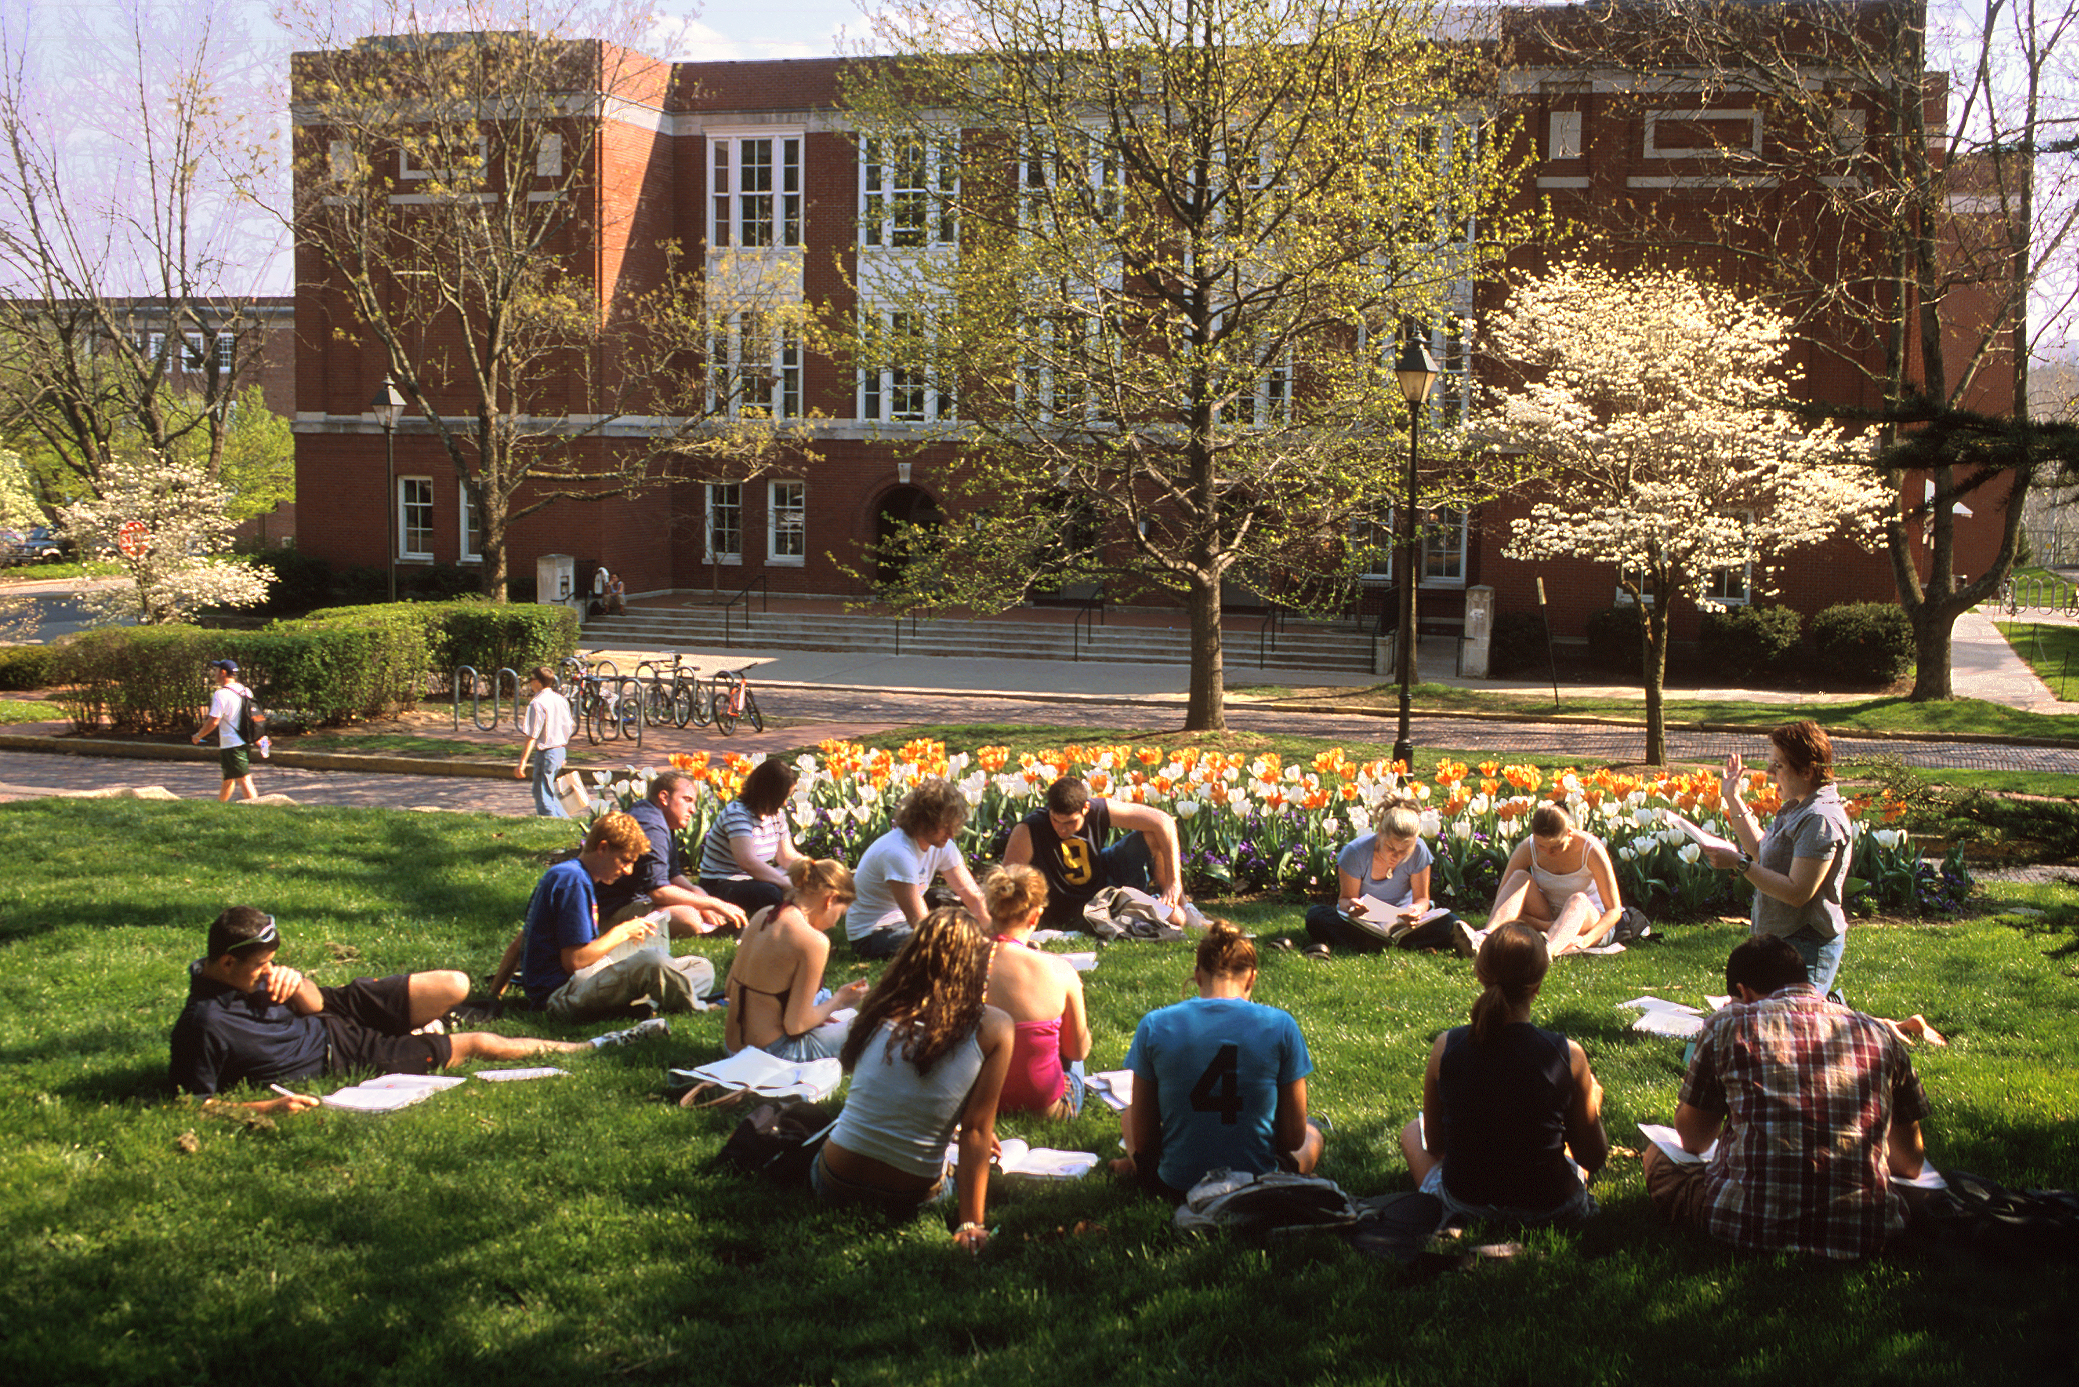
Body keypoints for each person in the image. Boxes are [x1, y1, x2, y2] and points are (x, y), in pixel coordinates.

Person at [171, 906, 632, 1116]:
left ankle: (428, 1018)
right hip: (344, 1053)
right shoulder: (204, 1024)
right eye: (262, 966)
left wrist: (295, 982)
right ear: (227, 963)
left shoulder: (248, 974)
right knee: (476, 1044)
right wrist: (266, 1106)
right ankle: (591, 1046)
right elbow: (193, 1103)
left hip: (332, 1008)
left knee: (454, 984)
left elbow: (312, 1004)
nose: (268, 972)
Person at [1644, 935, 1932, 1259]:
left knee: (1658, 1156)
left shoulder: (1728, 1024)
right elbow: (1910, 1164)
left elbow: (1694, 1141)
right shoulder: (1879, 1034)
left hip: (1746, 1224)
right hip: (1865, 1231)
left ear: (1742, 992)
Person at [815, 907, 1013, 1254]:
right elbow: (977, 1132)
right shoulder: (994, 1027)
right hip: (909, 1196)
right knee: (960, 1169)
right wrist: (971, 1224)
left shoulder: (881, 1007)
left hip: (834, 1180)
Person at [1399, 923, 1608, 1227]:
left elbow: (1435, 1145)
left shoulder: (1446, 1046)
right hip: (1553, 1208)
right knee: (1581, 1121)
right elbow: (1593, 1158)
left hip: (1466, 1205)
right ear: (1537, 984)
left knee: (1410, 1131)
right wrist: (1591, 1100)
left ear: (1480, 975)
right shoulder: (1568, 1054)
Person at [1111, 921, 1325, 1200]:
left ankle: (1139, 1170)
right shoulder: (1281, 1026)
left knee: (1129, 1115)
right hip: (1258, 1184)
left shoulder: (1154, 1025)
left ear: (1198, 976)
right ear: (1252, 978)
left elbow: (1144, 1141)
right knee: (1313, 1134)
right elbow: (1292, 1139)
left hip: (1176, 1186)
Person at [488, 812, 717, 1021]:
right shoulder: (573, 881)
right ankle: (694, 1006)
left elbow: (521, 941)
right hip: (563, 994)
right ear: (603, 848)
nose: (628, 870)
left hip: (588, 979)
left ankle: (641, 1002)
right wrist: (622, 932)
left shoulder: (574, 876)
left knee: (701, 966)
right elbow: (575, 961)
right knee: (651, 962)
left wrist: (494, 995)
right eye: (625, 860)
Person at [1701, 719, 1855, 995]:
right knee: (1770, 1019)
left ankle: (1883, 1024)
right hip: (1781, 940)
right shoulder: (1798, 806)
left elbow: (1798, 892)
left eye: (1779, 765)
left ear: (1807, 771)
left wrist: (1738, 863)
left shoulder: (1820, 818)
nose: (1770, 771)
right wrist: (1732, 797)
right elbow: (1761, 851)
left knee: (1800, 1027)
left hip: (1807, 943)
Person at [1003, 775, 1199, 931]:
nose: (1062, 829)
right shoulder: (1029, 829)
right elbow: (1007, 879)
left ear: (1085, 808)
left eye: (1071, 822)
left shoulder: (1097, 809)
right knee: (1175, 918)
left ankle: (1183, 904)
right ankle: (1158, 905)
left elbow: (1164, 821)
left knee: (1155, 834)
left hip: (1105, 872)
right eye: (1056, 820)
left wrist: (1174, 883)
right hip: (1075, 904)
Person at [723, 857, 869, 1061]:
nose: (836, 923)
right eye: (840, 913)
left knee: (822, 995)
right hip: (773, 1053)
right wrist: (839, 1000)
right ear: (831, 899)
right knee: (869, 1028)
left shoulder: (763, 915)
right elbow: (796, 1025)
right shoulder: (814, 941)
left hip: (732, 1048)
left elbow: (730, 988)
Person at [981, 864, 1092, 1119]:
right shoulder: (1061, 970)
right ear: (1035, 916)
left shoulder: (956, 963)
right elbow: (1076, 1051)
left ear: (990, 910)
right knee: (1077, 1047)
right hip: (1045, 1106)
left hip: (976, 1100)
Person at [845, 778, 990, 960]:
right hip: (873, 933)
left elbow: (973, 896)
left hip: (903, 921)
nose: (951, 834)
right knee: (947, 945)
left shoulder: (943, 845)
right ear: (923, 821)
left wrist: (997, 935)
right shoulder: (897, 852)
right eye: (945, 826)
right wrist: (980, 944)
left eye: (953, 826)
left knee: (945, 900)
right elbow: (920, 923)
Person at [596, 770, 748, 937]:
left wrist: (695, 891)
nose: (693, 809)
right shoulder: (652, 827)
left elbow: (672, 874)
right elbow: (659, 891)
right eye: (687, 800)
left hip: (637, 900)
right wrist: (713, 903)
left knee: (697, 899)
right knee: (688, 917)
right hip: (611, 910)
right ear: (664, 797)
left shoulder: (659, 819)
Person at [1303, 798, 1461, 955]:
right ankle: (1398, 944)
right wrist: (1353, 905)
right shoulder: (1355, 852)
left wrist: (1415, 911)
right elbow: (1345, 900)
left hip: (1403, 925)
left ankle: (1373, 944)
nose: (1396, 856)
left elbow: (1422, 900)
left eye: (1404, 850)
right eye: (1391, 847)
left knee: (1451, 922)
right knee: (1316, 916)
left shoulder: (1419, 850)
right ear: (1380, 834)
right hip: (1363, 924)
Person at [1468, 804, 1625, 958]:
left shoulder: (1590, 849)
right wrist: (1547, 926)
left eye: (1556, 846)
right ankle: (1485, 938)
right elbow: (1503, 901)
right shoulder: (1528, 847)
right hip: (1547, 916)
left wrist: (1585, 941)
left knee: (1579, 899)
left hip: (1588, 920)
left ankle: (1546, 951)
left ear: (1569, 833)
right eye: (1541, 846)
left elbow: (1614, 911)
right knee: (1519, 877)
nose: (1549, 852)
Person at [698, 758, 806, 917]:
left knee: (803, 880)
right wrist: (786, 884)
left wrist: (812, 869)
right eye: (783, 796)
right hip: (724, 882)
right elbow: (748, 862)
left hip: (754, 878)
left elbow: (786, 856)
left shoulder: (777, 815)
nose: (784, 803)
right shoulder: (737, 814)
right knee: (769, 892)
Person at [191, 659, 258, 802]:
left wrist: (198, 735)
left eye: (216, 670)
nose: (214, 673)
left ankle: (257, 809)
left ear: (222, 672)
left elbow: (213, 720)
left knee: (244, 779)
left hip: (232, 743)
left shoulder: (221, 694)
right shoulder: (246, 691)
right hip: (245, 740)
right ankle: (219, 806)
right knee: (228, 777)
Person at [513, 665, 575, 819]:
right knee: (549, 791)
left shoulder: (537, 703)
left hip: (546, 753)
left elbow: (532, 735)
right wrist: (562, 751)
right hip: (559, 749)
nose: (530, 683)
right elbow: (568, 726)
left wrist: (522, 762)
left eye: (531, 680)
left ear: (539, 682)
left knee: (541, 792)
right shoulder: (560, 700)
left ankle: (549, 822)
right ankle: (563, 820)